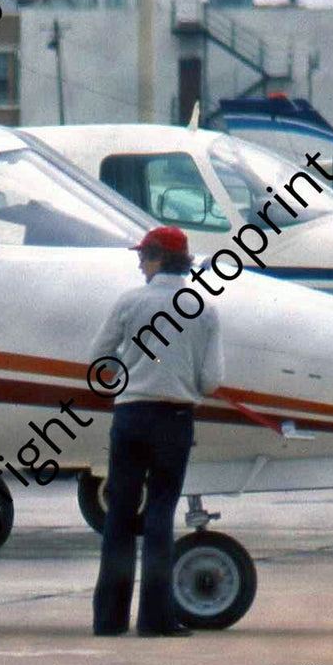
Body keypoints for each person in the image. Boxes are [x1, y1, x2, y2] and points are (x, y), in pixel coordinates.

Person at [89, 226, 223, 637]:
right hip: (174, 419)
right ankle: (156, 618)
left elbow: (98, 358)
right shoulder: (202, 308)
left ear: (157, 257)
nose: (139, 263)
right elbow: (211, 380)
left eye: (143, 256)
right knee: (161, 512)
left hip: (130, 416)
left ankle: (109, 618)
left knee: (120, 514)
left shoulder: (130, 302)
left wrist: (128, 375)